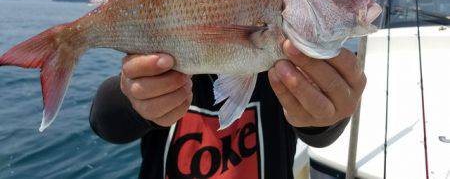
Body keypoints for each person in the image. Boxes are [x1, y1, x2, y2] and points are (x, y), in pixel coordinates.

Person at [90, 39, 366, 178]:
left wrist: (329, 115)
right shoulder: (162, 72)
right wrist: (135, 101)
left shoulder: (284, 72)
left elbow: (318, 134)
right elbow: (104, 121)